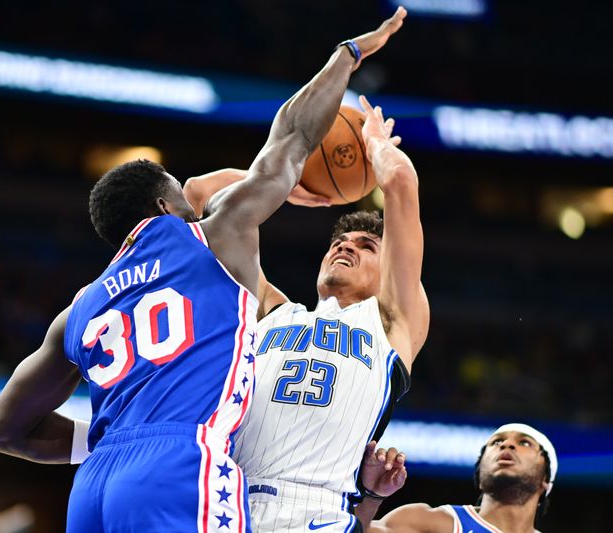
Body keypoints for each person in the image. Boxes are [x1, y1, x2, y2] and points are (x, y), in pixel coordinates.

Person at [0, 8, 407, 533]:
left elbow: (4, 431)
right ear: (166, 208)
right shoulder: (212, 242)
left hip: (93, 485)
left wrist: (104, 442)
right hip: (180, 465)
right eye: (181, 196)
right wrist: (349, 54)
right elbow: (295, 134)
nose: (193, 202)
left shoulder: (81, 307)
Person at [184, 95, 430, 532]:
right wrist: (286, 185)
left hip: (320, 513)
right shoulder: (271, 312)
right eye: (339, 242)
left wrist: (373, 144)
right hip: (227, 503)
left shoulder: (392, 321)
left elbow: (402, 181)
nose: (345, 246)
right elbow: (200, 195)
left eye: (365, 246)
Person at [358, 423, 558, 533]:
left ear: (545, 480)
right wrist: (371, 497)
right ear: (480, 474)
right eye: (497, 442)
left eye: (524, 443)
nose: (507, 445)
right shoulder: (432, 522)